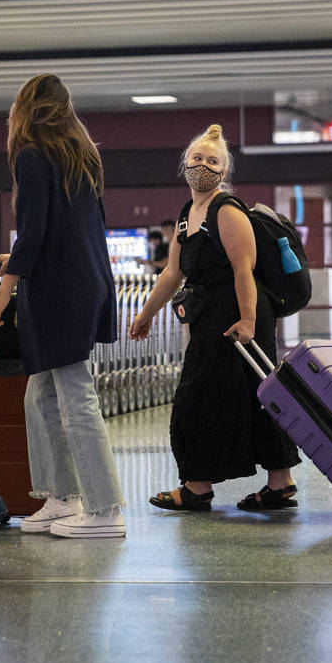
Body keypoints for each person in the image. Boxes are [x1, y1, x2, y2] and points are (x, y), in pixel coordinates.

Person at [129, 124, 300, 511]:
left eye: (212, 161)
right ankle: (278, 484)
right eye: (197, 159)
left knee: (201, 397)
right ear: (184, 165)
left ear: (224, 172)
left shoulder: (227, 210)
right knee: (252, 396)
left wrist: (249, 321)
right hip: (214, 318)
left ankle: (198, 487)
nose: (202, 165)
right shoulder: (188, 212)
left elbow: (245, 270)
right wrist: (146, 314)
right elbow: (172, 273)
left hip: (238, 315)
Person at [0, 73, 125, 538]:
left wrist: (5, 288)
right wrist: (20, 262)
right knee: (39, 395)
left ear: (25, 108)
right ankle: (63, 498)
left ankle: (104, 509)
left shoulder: (31, 154)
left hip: (61, 290)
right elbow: (66, 230)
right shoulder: (81, 154)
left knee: (75, 396)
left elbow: (34, 229)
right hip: (84, 280)